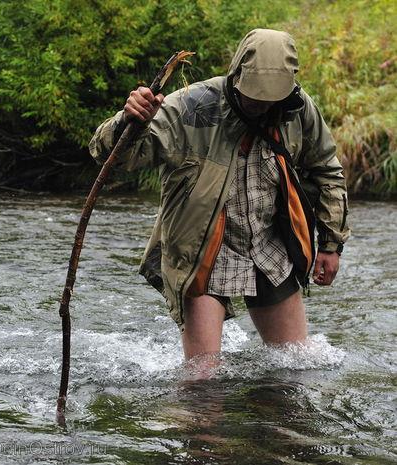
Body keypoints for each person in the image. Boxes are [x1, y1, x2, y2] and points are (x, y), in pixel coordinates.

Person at [89, 29, 350, 364]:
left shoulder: (298, 109)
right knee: (202, 383)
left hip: (271, 246)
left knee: (295, 368)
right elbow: (110, 157)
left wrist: (331, 244)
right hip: (203, 251)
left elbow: (327, 171)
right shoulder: (191, 106)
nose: (262, 105)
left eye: (271, 99)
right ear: (237, 72)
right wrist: (129, 120)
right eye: (254, 97)